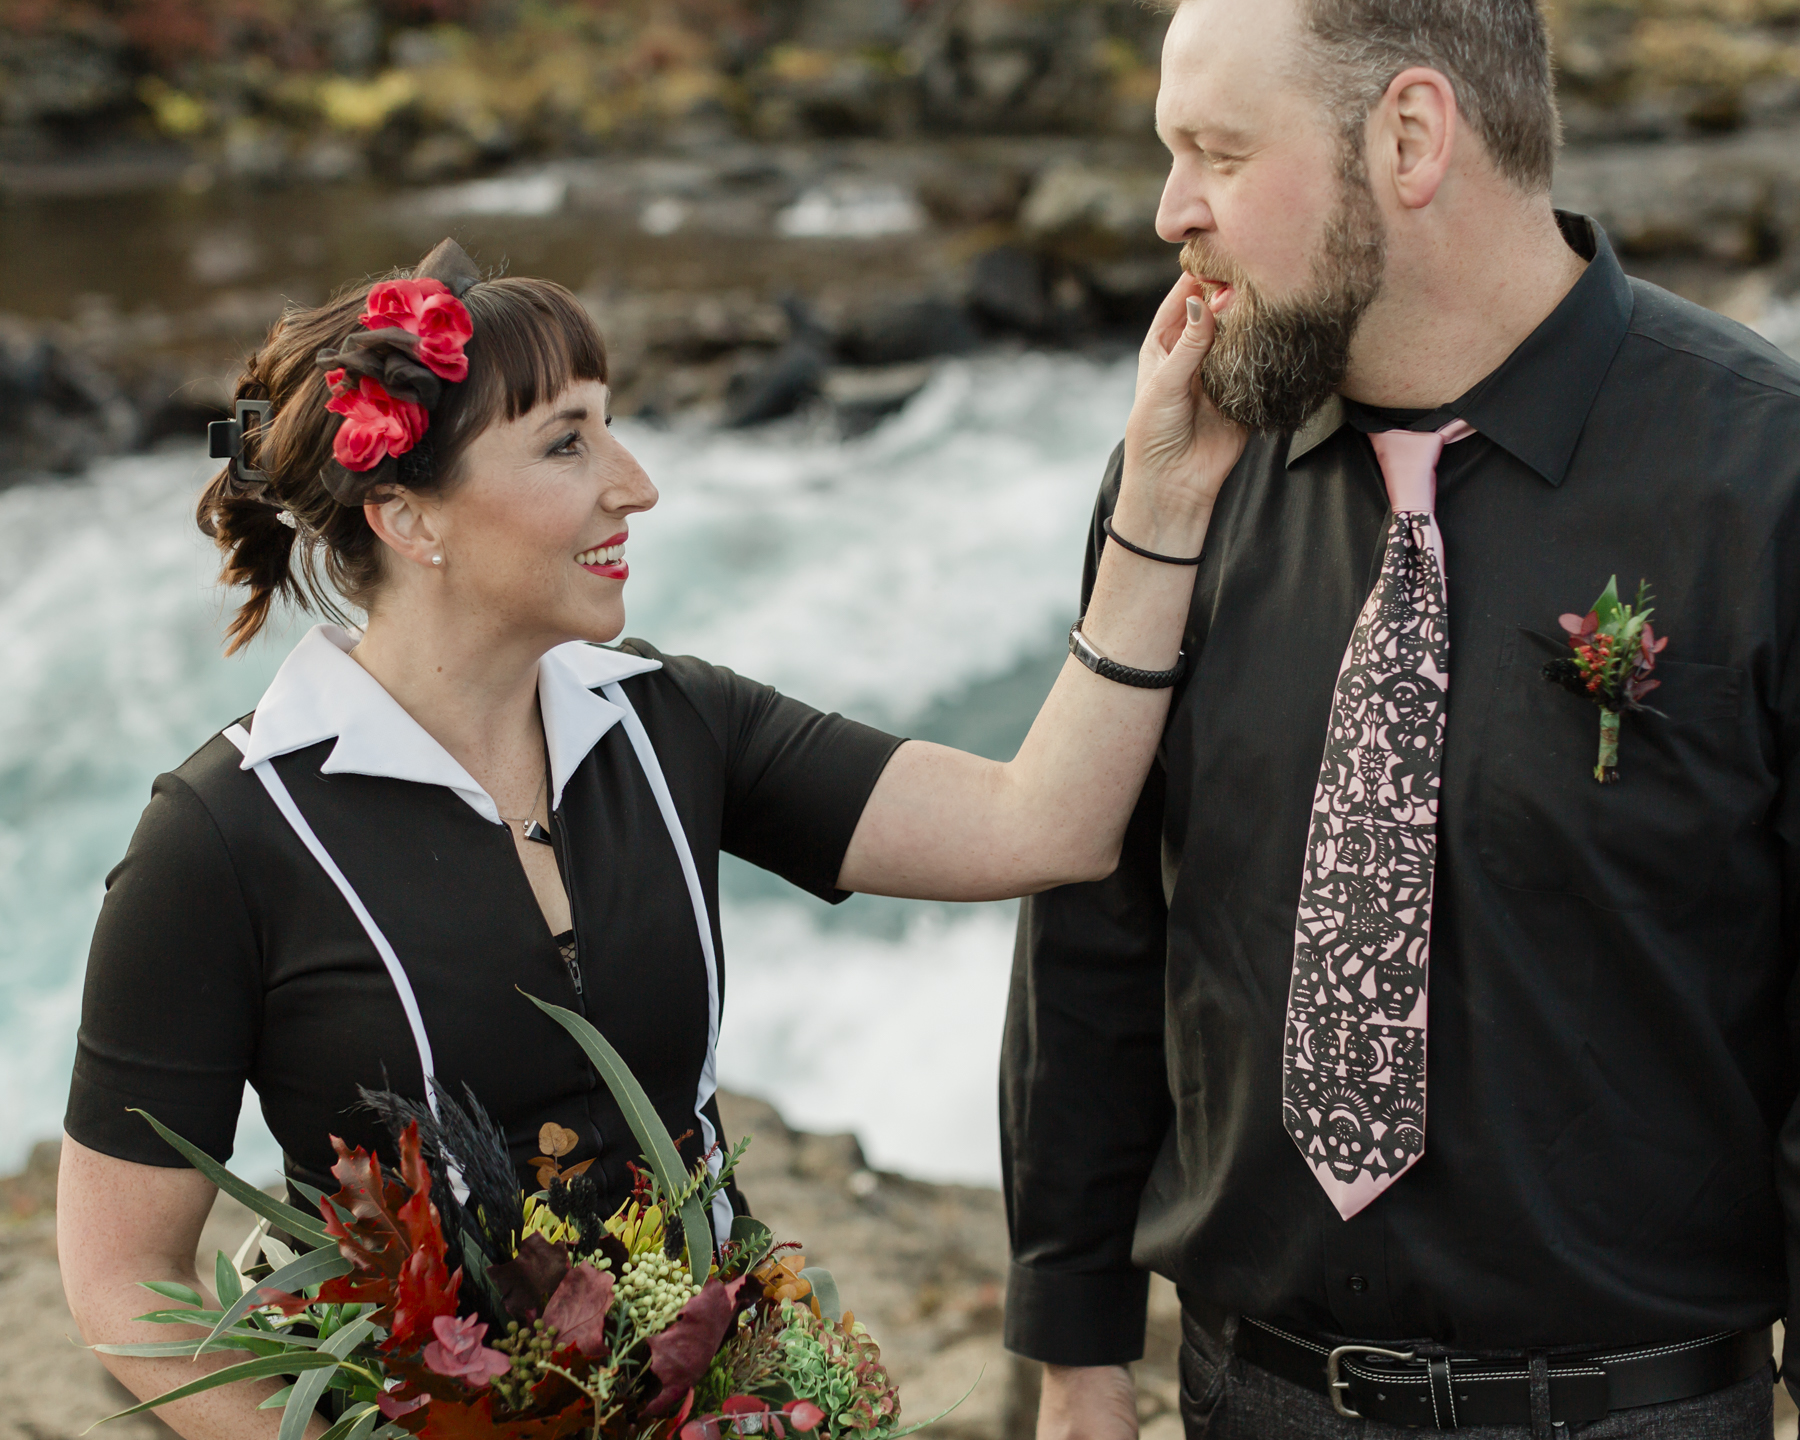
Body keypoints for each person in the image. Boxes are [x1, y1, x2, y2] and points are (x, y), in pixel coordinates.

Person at [54, 238, 1243, 1440]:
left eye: (609, 426)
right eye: (568, 442)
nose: (636, 482)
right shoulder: (220, 837)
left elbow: (1042, 825)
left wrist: (1162, 491)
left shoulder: (672, 720)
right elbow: (120, 1284)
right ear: (409, 516)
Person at [1000, 0, 1800, 1435]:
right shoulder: (1182, 483)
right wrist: (1075, 1346)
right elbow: (1095, 930)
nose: (1171, 208)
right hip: (1248, 1395)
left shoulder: (1767, 487)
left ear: (1410, 139)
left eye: (1217, 153)